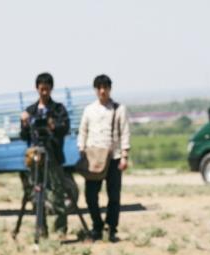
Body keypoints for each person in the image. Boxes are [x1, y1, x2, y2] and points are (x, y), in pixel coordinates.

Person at [78, 74, 131, 242]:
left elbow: (125, 133)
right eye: (99, 88)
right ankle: (97, 226)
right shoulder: (89, 109)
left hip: (114, 157)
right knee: (90, 196)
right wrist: (81, 150)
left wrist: (124, 156)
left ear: (110, 89)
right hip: (93, 158)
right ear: (95, 89)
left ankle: (111, 227)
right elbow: (83, 131)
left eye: (105, 87)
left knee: (114, 195)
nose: (102, 91)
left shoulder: (119, 109)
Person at [19, 72, 72, 237]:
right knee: (37, 193)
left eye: (47, 89)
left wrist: (53, 125)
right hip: (37, 157)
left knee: (58, 192)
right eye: (41, 89)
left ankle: (61, 229)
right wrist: (24, 123)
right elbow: (24, 136)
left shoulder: (58, 109)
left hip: (53, 156)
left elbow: (65, 128)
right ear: (37, 88)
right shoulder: (31, 111)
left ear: (51, 89)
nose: (44, 92)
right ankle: (41, 228)